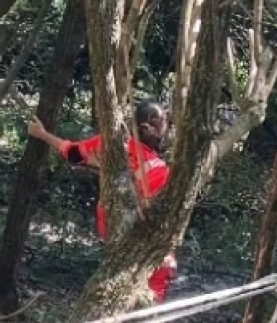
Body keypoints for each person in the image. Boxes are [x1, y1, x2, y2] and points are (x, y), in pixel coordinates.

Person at [27, 99, 176, 300]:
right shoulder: (160, 170)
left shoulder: (110, 145)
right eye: (164, 123)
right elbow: (158, 218)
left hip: (111, 231)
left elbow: (72, 152)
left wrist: (42, 134)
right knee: (152, 291)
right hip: (137, 240)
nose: (167, 128)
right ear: (148, 127)